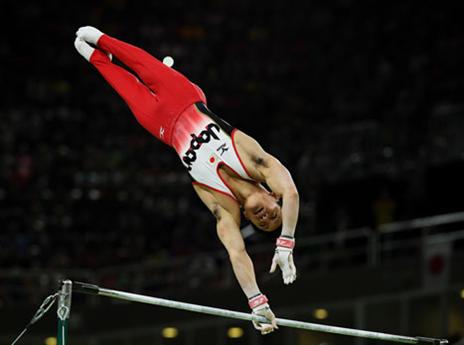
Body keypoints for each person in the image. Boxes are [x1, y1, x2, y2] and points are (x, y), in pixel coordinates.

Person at [74, 26, 299, 335]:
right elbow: (291, 189)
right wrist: (285, 241)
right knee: (142, 64)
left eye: (263, 224)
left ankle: (98, 58)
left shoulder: (223, 208)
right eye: (274, 213)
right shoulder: (254, 161)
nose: (266, 217)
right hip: (183, 97)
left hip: (164, 127)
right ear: (272, 195)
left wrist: (257, 302)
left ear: (247, 217)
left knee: (125, 86)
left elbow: (237, 252)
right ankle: (102, 39)